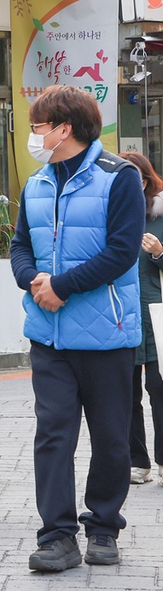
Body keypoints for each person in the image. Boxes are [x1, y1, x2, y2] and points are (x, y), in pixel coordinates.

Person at [11, 85, 144, 572]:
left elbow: (121, 251)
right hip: (49, 335)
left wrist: (63, 286)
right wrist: (34, 281)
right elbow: (19, 245)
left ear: (63, 129)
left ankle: (104, 527)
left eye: (38, 126)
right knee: (53, 434)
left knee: (110, 436)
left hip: (106, 333)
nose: (33, 135)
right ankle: (57, 537)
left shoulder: (119, 177)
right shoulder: (38, 182)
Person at [119, 152, 163, 487]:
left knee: (159, 389)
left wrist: (159, 253)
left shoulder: (160, 215)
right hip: (122, 313)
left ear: (145, 181)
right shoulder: (114, 215)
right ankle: (138, 462)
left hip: (157, 312)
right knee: (126, 391)